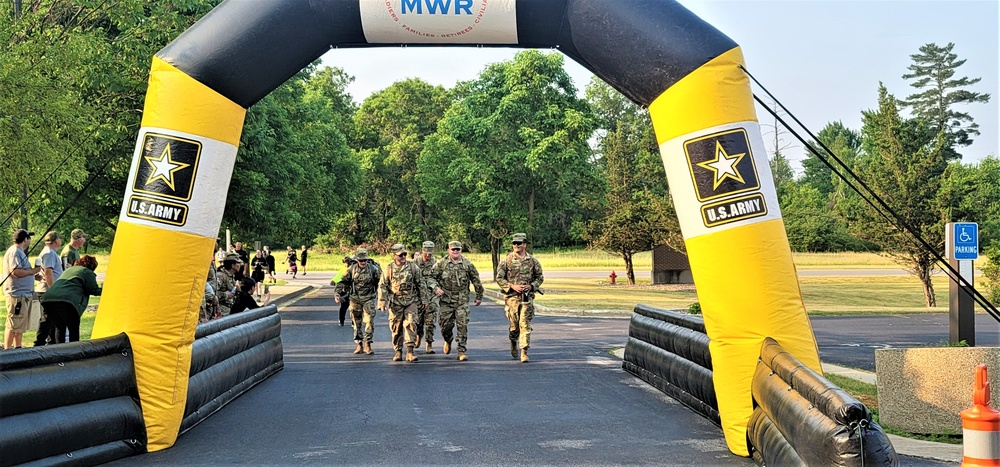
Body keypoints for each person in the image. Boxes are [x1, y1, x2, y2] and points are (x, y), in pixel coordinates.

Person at [427, 241, 483, 361]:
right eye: (453, 249)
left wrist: (479, 296)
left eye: (458, 249)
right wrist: (436, 288)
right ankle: (448, 339)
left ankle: (461, 350)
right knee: (445, 325)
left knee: (462, 325)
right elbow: (431, 277)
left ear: (461, 250)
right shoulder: (441, 263)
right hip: (446, 300)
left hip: (461, 300)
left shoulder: (467, 264)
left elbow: (476, 280)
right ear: (449, 250)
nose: (455, 251)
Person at [495, 233, 544, 363]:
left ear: (525, 244)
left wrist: (532, 286)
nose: (517, 245)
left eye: (519, 243)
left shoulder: (533, 261)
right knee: (514, 326)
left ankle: (524, 351)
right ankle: (513, 341)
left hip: (527, 297)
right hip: (512, 297)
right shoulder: (506, 261)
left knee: (525, 324)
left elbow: (540, 277)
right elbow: (499, 278)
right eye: (515, 243)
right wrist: (512, 286)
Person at [378, 244, 428, 363]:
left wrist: (424, 299)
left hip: (411, 300)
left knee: (411, 323)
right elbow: (383, 286)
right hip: (396, 301)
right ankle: (398, 351)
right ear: (394, 255)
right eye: (400, 255)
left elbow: (421, 283)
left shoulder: (412, 267)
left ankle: (410, 352)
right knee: (396, 327)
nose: (403, 257)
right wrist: (382, 301)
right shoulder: (389, 269)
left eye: (405, 254)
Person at [38, 255, 102, 343]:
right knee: (73, 327)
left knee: (60, 327)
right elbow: (93, 289)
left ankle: (60, 350)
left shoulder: (69, 270)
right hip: (66, 301)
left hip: (48, 299)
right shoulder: (87, 272)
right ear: (92, 266)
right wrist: (106, 289)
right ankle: (74, 350)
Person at [334, 248, 381, 355]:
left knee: (369, 321)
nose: (363, 262)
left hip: (368, 298)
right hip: (355, 299)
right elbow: (342, 282)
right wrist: (337, 294)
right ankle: (359, 344)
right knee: (356, 322)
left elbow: (381, 283)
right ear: (357, 260)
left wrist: (383, 297)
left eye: (365, 260)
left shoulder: (373, 269)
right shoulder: (351, 269)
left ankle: (368, 344)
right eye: (361, 260)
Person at [3, 230, 41, 349]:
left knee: (19, 325)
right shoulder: (14, 252)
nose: (30, 240)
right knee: (13, 324)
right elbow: (15, 271)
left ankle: (17, 348)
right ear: (25, 239)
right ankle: (7, 351)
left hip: (23, 294)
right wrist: (33, 271)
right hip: (17, 295)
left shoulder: (20, 252)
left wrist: (33, 276)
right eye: (29, 237)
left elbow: (22, 271)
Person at [33, 231, 64, 346]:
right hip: (48, 290)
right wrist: (53, 289)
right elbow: (48, 271)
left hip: (47, 289)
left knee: (52, 319)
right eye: (59, 239)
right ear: (56, 240)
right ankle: (39, 344)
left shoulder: (49, 252)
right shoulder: (49, 253)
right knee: (47, 318)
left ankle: (52, 343)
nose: (60, 241)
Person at [412, 240, 439, 353]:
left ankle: (429, 343)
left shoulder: (436, 263)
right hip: (417, 297)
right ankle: (419, 335)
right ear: (422, 250)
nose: (428, 255)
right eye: (426, 253)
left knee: (430, 322)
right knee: (418, 321)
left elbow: (440, 277)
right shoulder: (414, 263)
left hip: (431, 295)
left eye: (430, 253)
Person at [331, 255, 354, 326]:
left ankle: (354, 322)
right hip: (345, 291)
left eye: (347, 263)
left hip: (353, 292)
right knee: (344, 307)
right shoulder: (344, 270)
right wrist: (337, 295)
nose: (346, 265)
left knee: (354, 308)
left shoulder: (355, 269)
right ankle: (341, 321)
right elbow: (339, 281)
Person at [216, 252, 241, 316]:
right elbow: (212, 294)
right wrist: (225, 295)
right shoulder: (220, 276)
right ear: (232, 265)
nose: (240, 265)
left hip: (228, 309)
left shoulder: (231, 276)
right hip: (220, 311)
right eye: (238, 263)